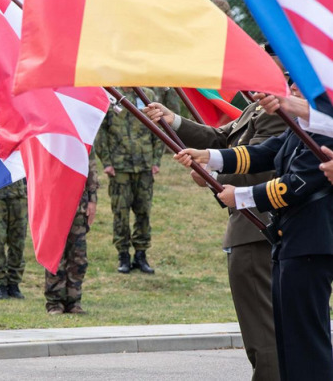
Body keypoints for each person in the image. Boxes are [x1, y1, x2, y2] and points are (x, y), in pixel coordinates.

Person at [145, 91, 288, 380]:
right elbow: (221, 140)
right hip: (251, 228)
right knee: (267, 332)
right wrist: (174, 122)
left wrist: (214, 175)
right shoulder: (257, 107)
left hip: (257, 229)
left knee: (264, 335)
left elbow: (262, 166)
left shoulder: (277, 111)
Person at [174, 122, 333, 381]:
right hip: (291, 242)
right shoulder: (304, 126)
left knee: (307, 343)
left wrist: (243, 196)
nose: (292, 87)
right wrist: (210, 157)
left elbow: (298, 182)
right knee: (290, 342)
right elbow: (265, 152)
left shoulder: (326, 127)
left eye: (297, 83)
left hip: (312, 243)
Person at [94, 88, 163, 274]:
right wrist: (106, 161)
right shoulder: (110, 96)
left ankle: (141, 254)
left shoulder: (147, 94)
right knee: (120, 212)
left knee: (143, 212)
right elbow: (101, 131)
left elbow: (159, 127)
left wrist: (156, 160)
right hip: (120, 166)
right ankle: (123, 254)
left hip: (144, 165)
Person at [45, 154, 99, 315]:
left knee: (78, 257)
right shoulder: (49, 133)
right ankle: (55, 302)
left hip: (78, 204)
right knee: (56, 256)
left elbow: (90, 165)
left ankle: (73, 301)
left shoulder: (84, 131)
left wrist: (92, 200)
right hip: (54, 201)